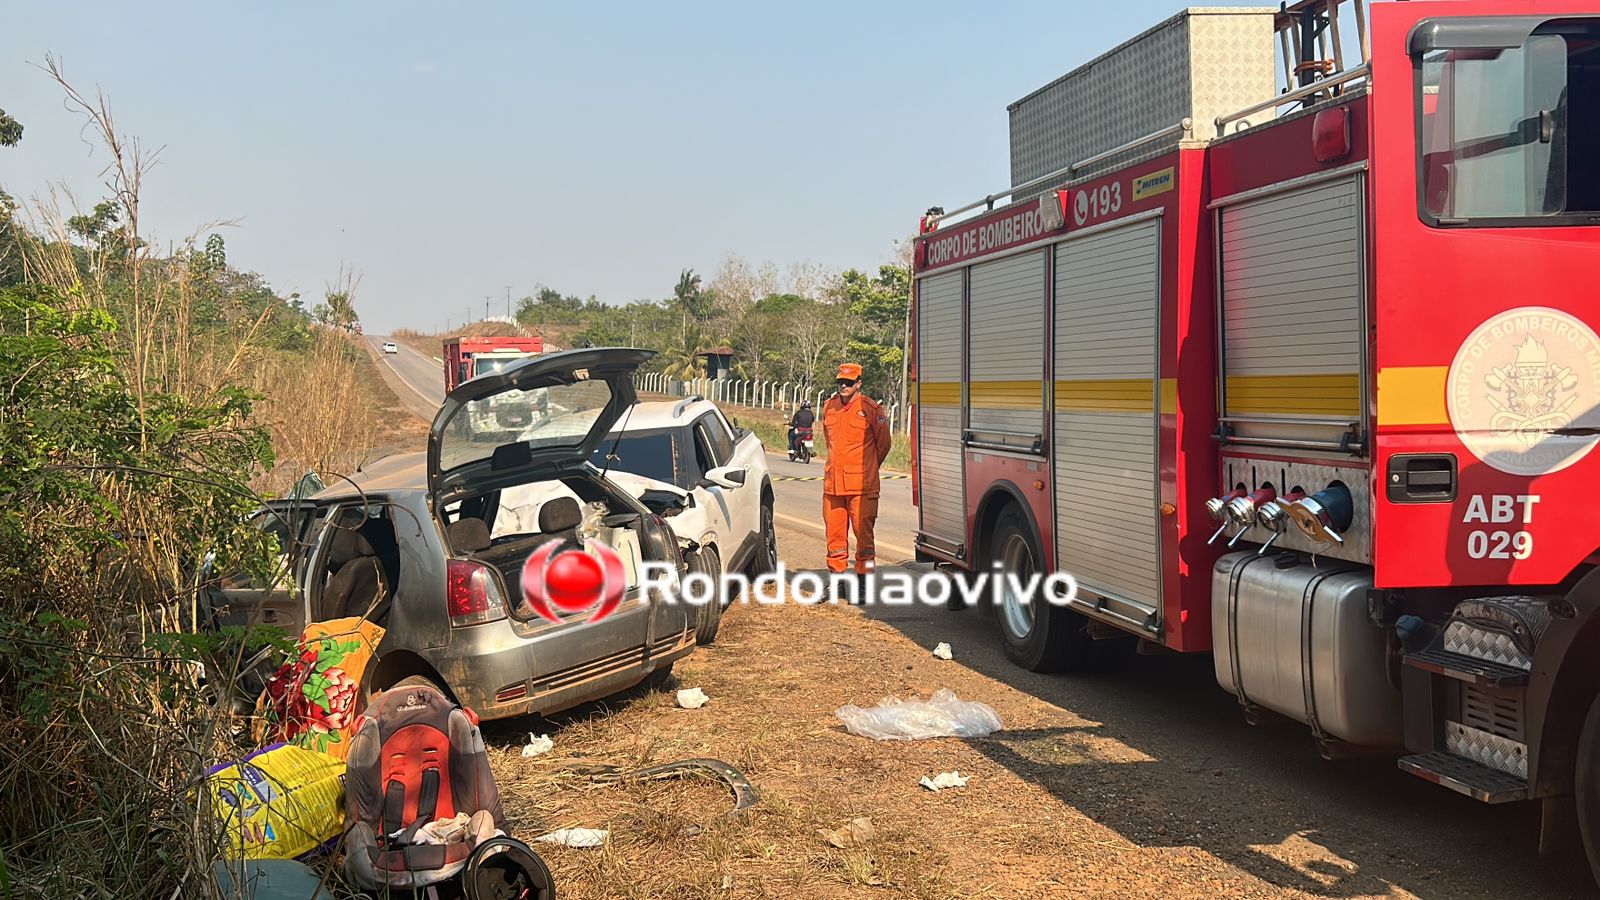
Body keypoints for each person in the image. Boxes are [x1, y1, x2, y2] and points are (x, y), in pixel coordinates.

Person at [820, 362, 891, 601]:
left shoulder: (871, 409)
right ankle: (836, 584)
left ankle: (863, 587)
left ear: (858, 383)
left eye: (849, 382)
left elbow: (883, 445)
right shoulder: (829, 407)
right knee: (835, 538)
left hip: (862, 487)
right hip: (833, 487)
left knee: (864, 540)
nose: (844, 386)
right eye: (841, 381)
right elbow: (829, 442)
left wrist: (867, 469)